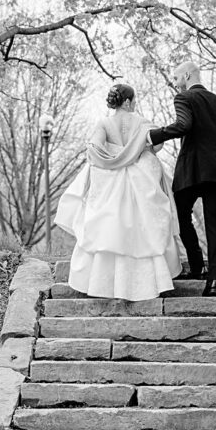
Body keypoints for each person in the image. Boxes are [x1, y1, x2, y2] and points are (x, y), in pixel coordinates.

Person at [54, 82, 181, 301]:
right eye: (134, 101)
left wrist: (115, 156)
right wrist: (136, 150)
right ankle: (155, 281)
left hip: (112, 183)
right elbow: (157, 147)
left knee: (110, 228)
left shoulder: (104, 123)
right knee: (144, 228)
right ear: (129, 101)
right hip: (140, 180)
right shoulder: (142, 123)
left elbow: (95, 146)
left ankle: (102, 285)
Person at [148, 61, 216, 296]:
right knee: (214, 223)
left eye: (176, 78)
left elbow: (183, 125)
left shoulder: (184, 98)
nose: (176, 84)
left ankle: (197, 266)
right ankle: (214, 280)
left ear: (187, 75)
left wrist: (153, 135)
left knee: (180, 214)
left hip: (192, 171)